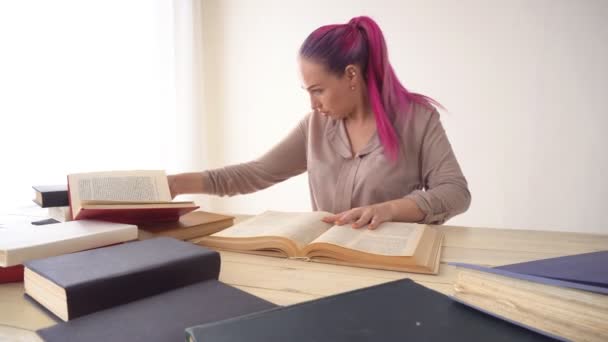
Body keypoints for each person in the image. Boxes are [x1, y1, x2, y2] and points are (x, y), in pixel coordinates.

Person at [168, 16, 470, 229]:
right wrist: (176, 184)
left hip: (391, 268)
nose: (313, 105)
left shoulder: (418, 119)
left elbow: (455, 192)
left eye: (318, 91)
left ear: (351, 75)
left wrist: (389, 210)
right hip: (327, 264)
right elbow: (256, 173)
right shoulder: (315, 127)